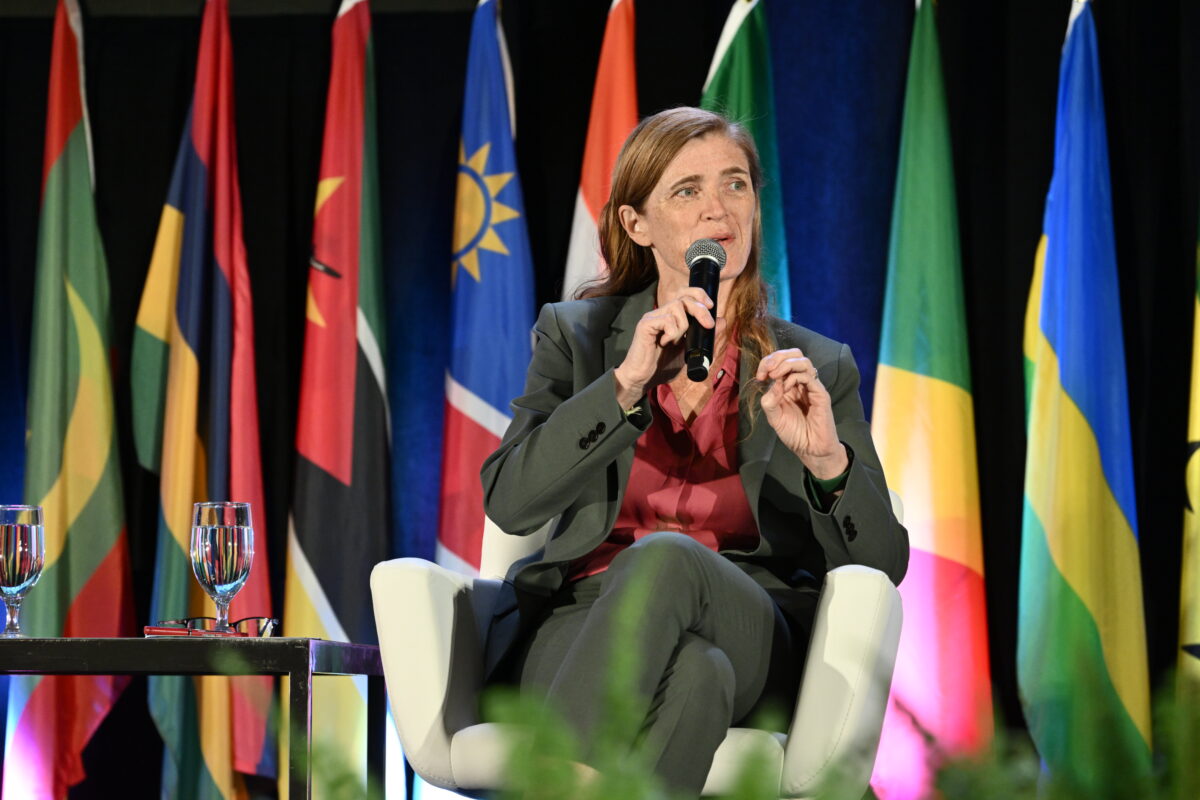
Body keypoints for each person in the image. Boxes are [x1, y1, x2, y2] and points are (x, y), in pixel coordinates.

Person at [479, 106, 907, 796]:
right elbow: (510, 503)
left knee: (672, 560)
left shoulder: (817, 366)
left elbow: (883, 566)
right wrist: (623, 388)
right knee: (699, 677)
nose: (719, 209)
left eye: (735, 185)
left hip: (753, 622)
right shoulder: (579, 340)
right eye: (688, 191)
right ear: (635, 224)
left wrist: (829, 462)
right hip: (581, 626)